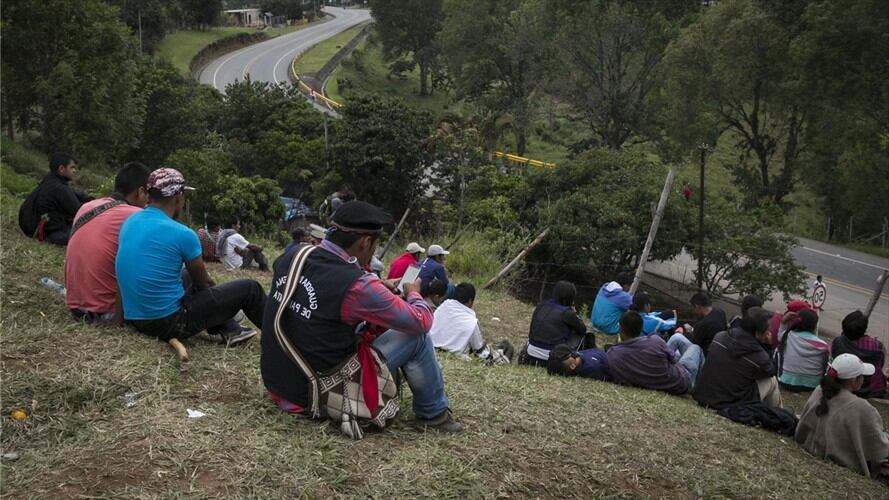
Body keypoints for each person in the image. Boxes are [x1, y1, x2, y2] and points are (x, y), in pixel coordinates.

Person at [260, 200, 462, 432]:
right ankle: (434, 414)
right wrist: (414, 295)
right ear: (366, 242)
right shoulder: (357, 285)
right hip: (314, 391)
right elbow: (420, 322)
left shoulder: (294, 254)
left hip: (279, 382)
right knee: (416, 337)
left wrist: (379, 285)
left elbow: (322, 294)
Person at [116, 168, 265, 346]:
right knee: (251, 288)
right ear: (178, 197)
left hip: (136, 318)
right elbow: (205, 284)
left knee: (187, 274)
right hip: (169, 323)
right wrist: (228, 306)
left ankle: (231, 330)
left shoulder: (129, 222)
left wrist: (119, 321)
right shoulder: (183, 233)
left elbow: (121, 274)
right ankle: (283, 334)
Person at [65, 162, 150, 324]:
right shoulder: (136, 215)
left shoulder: (87, 207)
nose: (147, 202)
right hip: (106, 312)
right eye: (148, 196)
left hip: (76, 308)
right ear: (140, 191)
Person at [795, 354, 889, 478]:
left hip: (813, 447)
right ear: (852, 380)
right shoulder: (861, 407)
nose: (863, 380)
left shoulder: (820, 390)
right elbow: (879, 449)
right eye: (861, 376)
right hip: (845, 459)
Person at [693, 307, 783, 410]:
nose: (769, 332)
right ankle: (777, 413)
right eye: (768, 329)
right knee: (771, 380)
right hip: (732, 405)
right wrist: (768, 346)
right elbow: (772, 370)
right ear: (758, 333)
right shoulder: (758, 356)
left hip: (704, 397)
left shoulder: (719, 336)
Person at [607, 311, 704, 395]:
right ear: (641, 329)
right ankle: (699, 386)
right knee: (695, 348)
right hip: (682, 381)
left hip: (653, 375)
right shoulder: (655, 341)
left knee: (676, 338)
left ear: (621, 329)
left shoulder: (612, 355)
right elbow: (673, 360)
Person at [19, 152, 93, 245]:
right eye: (72, 167)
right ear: (61, 169)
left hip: (37, 228)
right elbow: (80, 212)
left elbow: (77, 196)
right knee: (90, 233)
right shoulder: (58, 188)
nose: (75, 171)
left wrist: (93, 200)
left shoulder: (50, 181)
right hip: (50, 233)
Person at [429, 283, 512, 364]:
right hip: (455, 353)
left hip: (432, 346)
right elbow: (479, 350)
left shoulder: (442, 307)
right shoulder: (471, 322)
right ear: (470, 301)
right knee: (508, 349)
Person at [521, 281, 592, 366]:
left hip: (531, 352)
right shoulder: (567, 313)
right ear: (571, 297)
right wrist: (575, 314)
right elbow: (582, 329)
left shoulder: (541, 305)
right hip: (554, 356)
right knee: (581, 334)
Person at [831, 310, 885, 399]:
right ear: (865, 328)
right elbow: (880, 364)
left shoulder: (838, 342)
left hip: (845, 385)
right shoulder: (877, 346)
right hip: (871, 390)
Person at [777, 308, 830, 392]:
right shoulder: (823, 345)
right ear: (815, 326)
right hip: (813, 385)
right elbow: (824, 366)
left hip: (787, 382)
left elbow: (779, 336)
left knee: (778, 352)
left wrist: (783, 322)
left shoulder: (788, 336)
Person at [547, 343, 611, 381]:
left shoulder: (579, 360)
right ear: (572, 366)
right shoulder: (592, 366)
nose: (574, 353)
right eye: (570, 355)